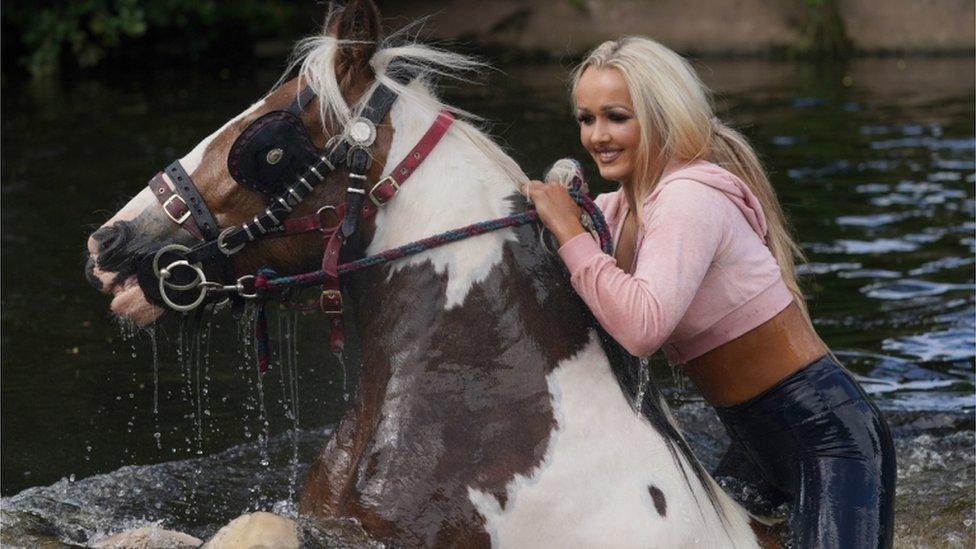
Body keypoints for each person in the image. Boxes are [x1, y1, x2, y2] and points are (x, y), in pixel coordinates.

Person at [524, 37, 896, 548]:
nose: (597, 136)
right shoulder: (619, 211)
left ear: (661, 120)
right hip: (751, 442)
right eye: (586, 119)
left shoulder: (689, 200)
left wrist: (570, 234)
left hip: (829, 440)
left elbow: (642, 327)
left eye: (615, 117)